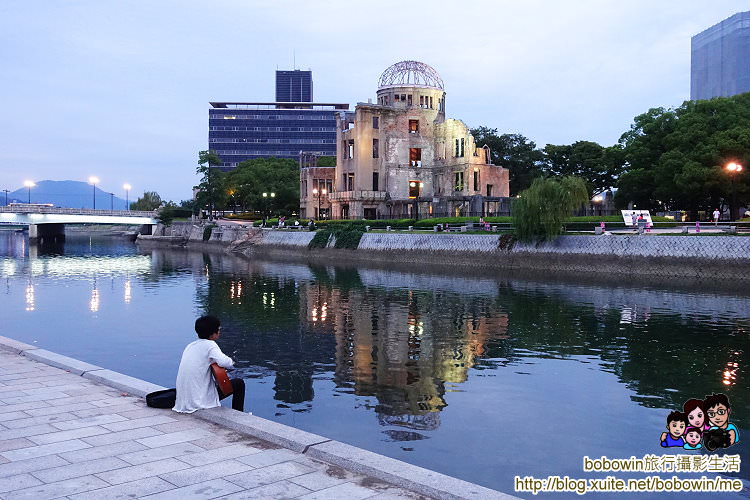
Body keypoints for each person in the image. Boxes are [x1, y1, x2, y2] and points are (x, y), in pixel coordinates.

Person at [173, 315, 245, 413]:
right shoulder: (210, 345)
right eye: (219, 329)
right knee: (239, 384)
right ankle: (239, 414)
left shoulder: (190, 346)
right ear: (212, 333)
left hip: (183, 401)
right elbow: (225, 362)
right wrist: (233, 361)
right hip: (199, 401)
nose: (220, 331)